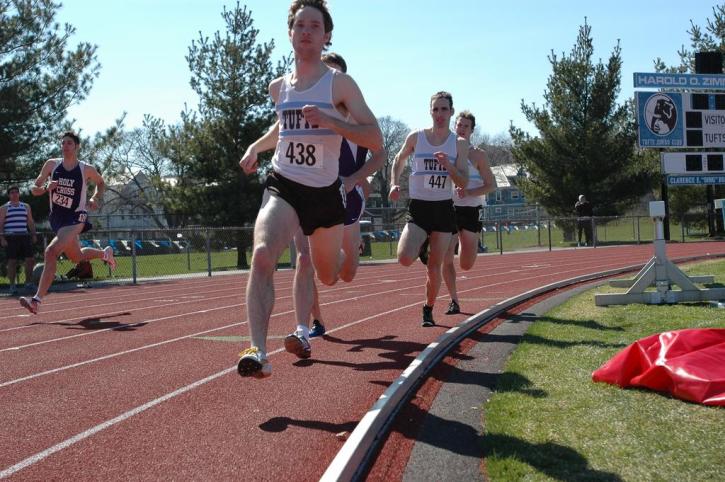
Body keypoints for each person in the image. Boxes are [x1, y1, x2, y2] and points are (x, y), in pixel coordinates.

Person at [237, 0, 383, 378]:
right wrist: (257, 146)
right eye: (299, 25)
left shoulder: (340, 85)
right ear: (289, 33)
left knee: (329, 274)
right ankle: (258, 350)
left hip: (324, 194)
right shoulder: (278, 87)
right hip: (284, 183)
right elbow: (282, 129)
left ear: (326, 35)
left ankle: (345, 253)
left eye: (314, 26)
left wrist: (333, 120)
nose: (306, 31)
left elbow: (376, 138)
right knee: (264, 254)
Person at [389, 91, 469, 327]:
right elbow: (398, 159)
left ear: (451, 112)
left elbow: (463, 181)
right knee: (404, 258)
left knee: (435, 267)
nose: (440, 114)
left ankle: (428, 308)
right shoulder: (417, 137)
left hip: (443, 210)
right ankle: (421, 244)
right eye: (436, 109)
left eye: (444, 109)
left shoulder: (459, 144)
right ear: (430, 111)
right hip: (419, 207)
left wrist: (448, 166)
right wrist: (394, 182)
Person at [18, 131, 116, 314]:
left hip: (76, 216)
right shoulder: (52, 165)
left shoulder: (85, 168)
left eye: (69, 143)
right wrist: (45, 188)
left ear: (76, 146)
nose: (65, 146)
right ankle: (105, 254)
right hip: (58, 218)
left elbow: (101, 183)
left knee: (51, 252)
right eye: (63, 143)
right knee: (76, 257)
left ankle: (36, 300)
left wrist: (95, 198)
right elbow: (34, 188)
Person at [442, 111, 496, 315]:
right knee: (446, 257)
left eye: (465, 126)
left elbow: (491, 185)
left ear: (472, 130)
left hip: (472, 209)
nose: (461, 129)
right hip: (448, 207)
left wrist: (469, 192)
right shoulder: (444, 150)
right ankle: (454, 300)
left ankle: (464, 244)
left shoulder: (478, 155)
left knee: (466, 263)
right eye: (458, 125)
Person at [0, 186, 37, 294]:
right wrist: (2, 238)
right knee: (12, 261)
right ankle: (12, 286)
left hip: (24, 236)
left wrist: (33, 235)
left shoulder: (25, 206)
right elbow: (0, 224)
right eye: (12, 192)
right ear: (9, 195)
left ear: (19, 194)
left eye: (16, 192)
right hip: (11, 237)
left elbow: (30, 221)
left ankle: (28, 283)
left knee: (30, 260)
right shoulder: (4, 208)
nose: (15, 194)